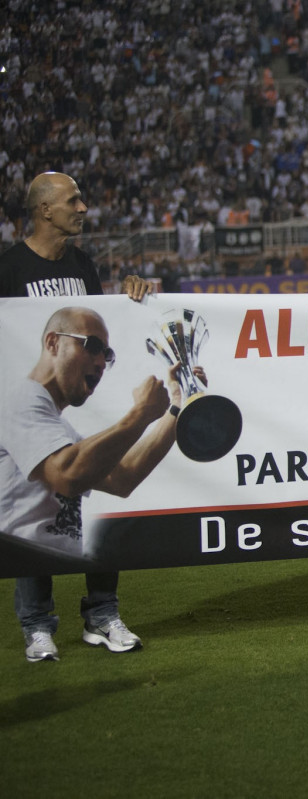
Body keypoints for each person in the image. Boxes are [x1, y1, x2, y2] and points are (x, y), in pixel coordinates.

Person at [0, 172, 155, 662]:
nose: (84, 207)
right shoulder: (8, 268)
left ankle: (102, 614)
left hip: (83, 403)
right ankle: (37, 625)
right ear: (45, 210)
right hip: (27, 408)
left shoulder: (84, 264)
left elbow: (98, 324)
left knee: (97, 506)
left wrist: (128, 296)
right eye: (74, 200)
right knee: (33, 509)